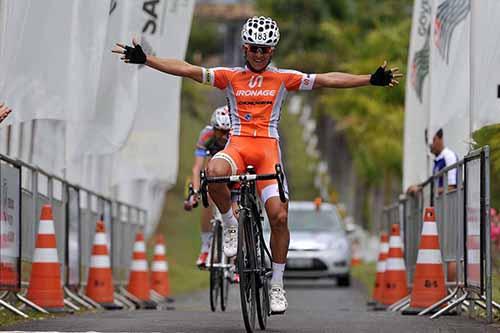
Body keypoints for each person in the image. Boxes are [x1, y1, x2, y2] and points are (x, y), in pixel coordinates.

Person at [113, 16, 402, 314]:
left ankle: (276, 284)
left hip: (267, 149)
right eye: (254, 48)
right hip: (237, 146)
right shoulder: (228, 76)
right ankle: (229, 225)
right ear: (244, 48)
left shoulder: (283, 78)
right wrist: (146, 60)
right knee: (213, 173)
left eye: (265, 50)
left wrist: (369, 79)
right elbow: (187, 69)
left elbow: (327, 79)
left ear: (272, 52)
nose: (259, 54)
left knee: (278, 217)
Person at [184, 106, 231, 268]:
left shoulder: (237, 136)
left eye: (227, 132)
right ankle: (205, 247)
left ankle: (239, 255)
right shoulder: (206, 135)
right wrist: (195, 192)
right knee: (207, 200)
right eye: (220, 131)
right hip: (213, 168)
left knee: (238, 210)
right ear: (213, 128)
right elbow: (197, 168)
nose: (223, 137)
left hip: (233, 170)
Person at [407, 128, 458, 195]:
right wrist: (418, 187)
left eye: (434, 140)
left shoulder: (449, 156)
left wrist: (427, 192)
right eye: (428, 143)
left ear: (441, 139)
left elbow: (452, 187)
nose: (431, 146)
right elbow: (432, 180)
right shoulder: (439, 159)